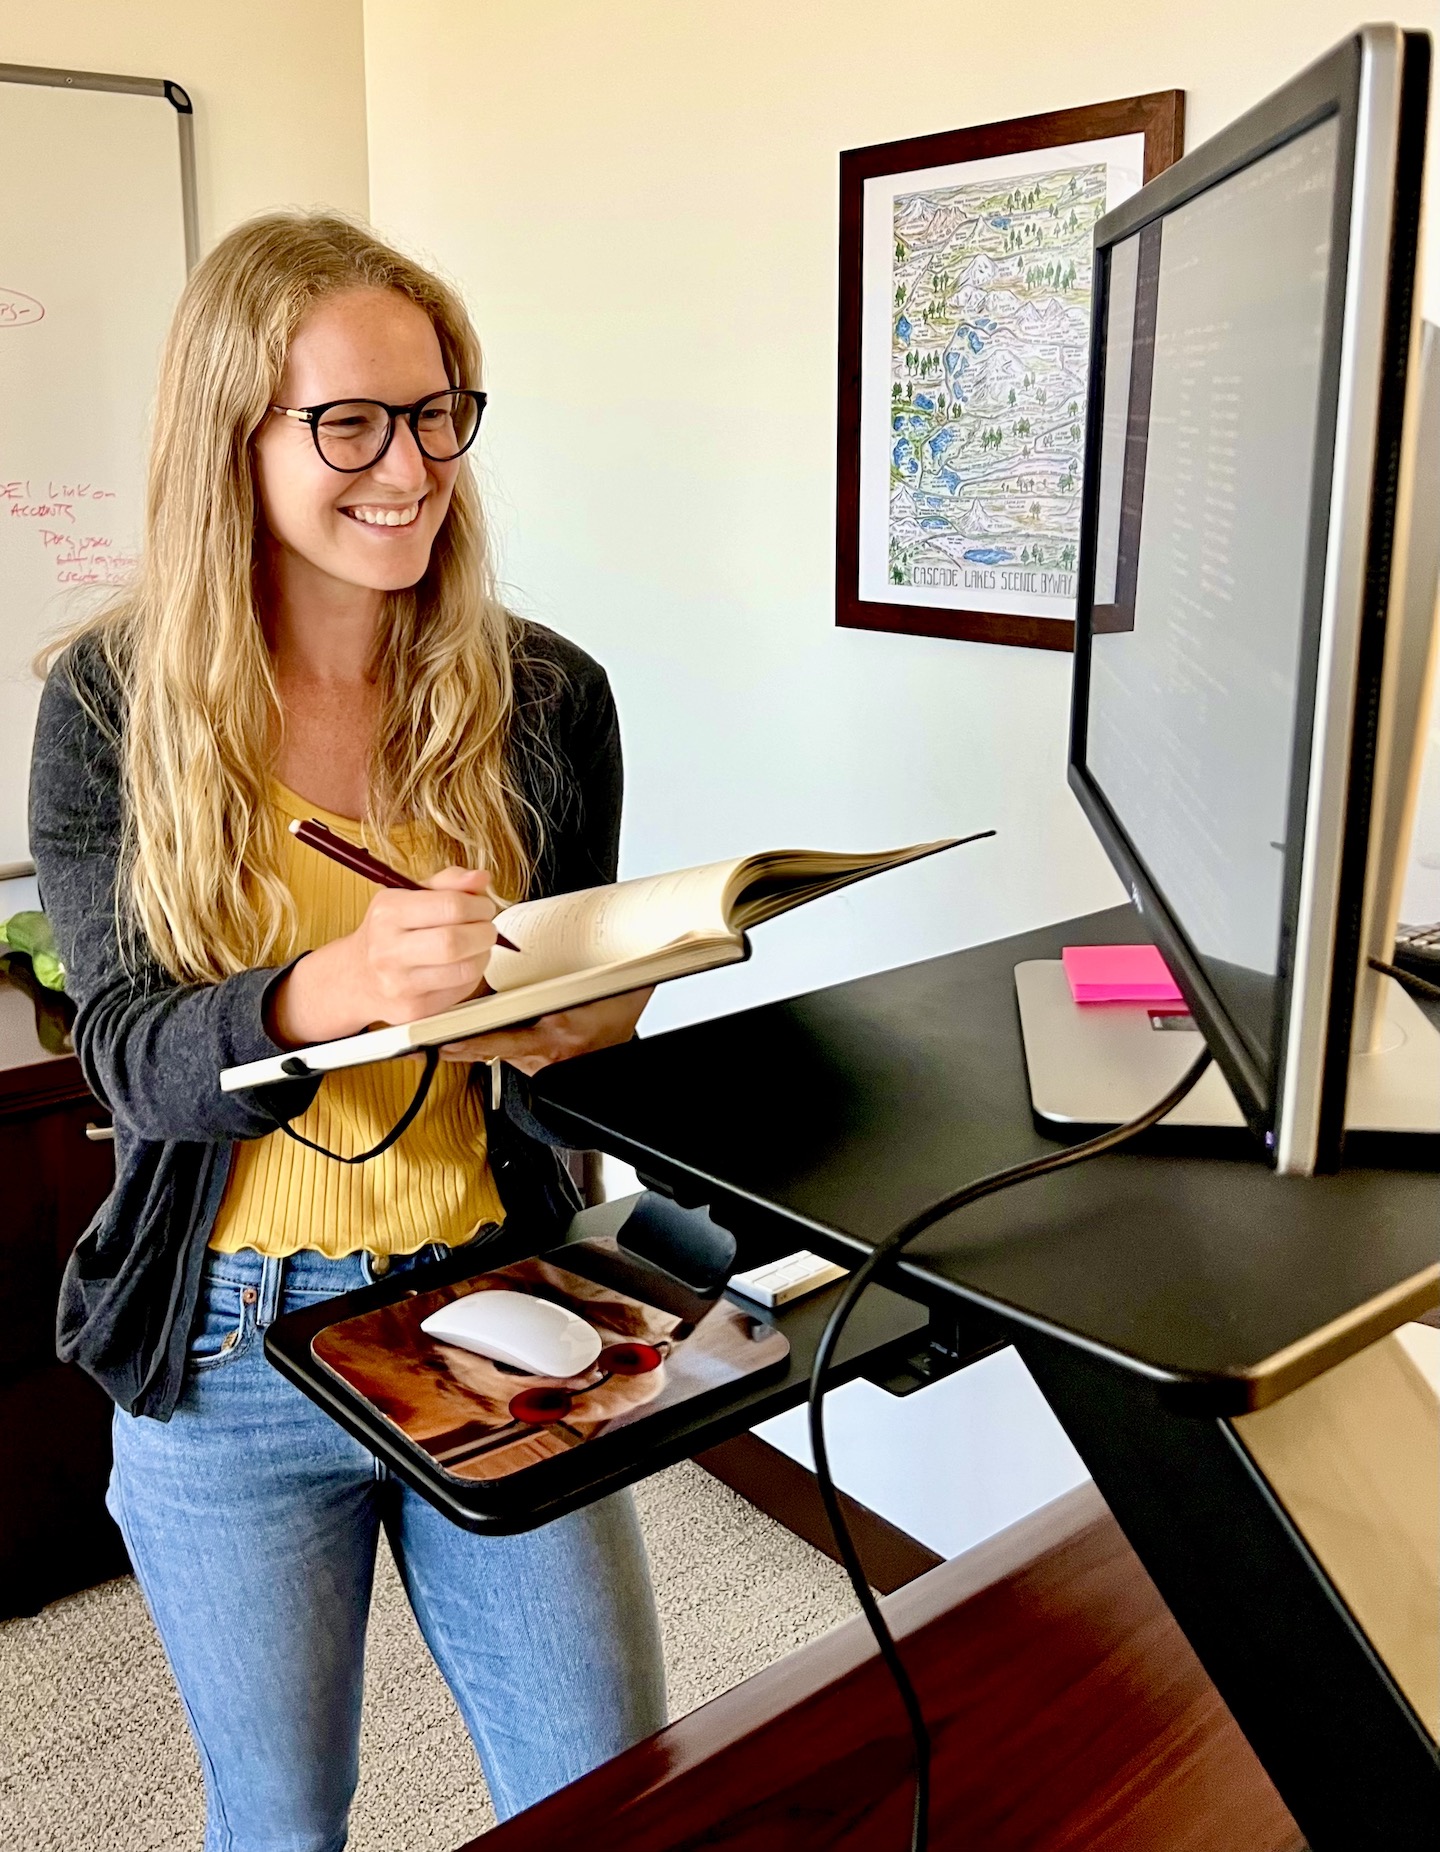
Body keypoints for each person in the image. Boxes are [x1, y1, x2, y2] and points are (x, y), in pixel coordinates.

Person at [28, 211, 665, 1850]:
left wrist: (579, 1023)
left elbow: (556, 1001)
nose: (414, 463)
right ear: (231, 435)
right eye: (353, 423)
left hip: (497, 1298)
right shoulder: (112, 705)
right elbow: (124, 1057)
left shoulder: (548, 696)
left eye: (442, 409)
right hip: (223, 1343)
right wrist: (341, 993)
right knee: (282, 1817)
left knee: (609, 1789)